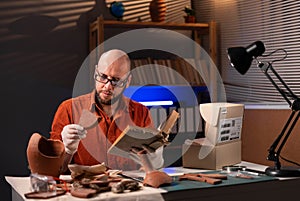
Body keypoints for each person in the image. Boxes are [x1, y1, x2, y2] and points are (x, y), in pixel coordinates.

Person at [50, 49, 164, 173]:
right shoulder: (68, 109)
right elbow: (55, 170)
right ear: (95, 73)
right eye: (103, 77)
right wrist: (68, 151)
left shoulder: (141, 112)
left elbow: (147, 169)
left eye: (116, 80)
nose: (107, 86)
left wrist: (153, 162)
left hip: (129, 189)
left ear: (127, 82)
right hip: (85, 189)